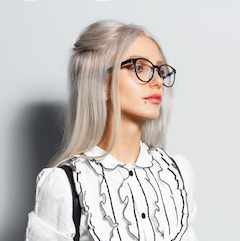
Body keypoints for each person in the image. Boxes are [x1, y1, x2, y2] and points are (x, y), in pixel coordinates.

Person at [25, 19, 197, 241]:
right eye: (140, 68)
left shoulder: (177, 175)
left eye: (159, 70)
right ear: (102, 84)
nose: (157, 82)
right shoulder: (65, 185)